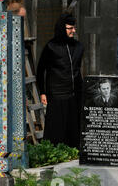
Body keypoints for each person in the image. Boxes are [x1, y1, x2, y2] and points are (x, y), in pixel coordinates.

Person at [36, 13, 84, 149]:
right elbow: (41, 70)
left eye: (74, 28)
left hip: (75, 93)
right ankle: (53, 151)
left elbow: (78, 70)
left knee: (73, 125)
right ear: (62, 28)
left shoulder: (79, 47)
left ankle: (74, 151)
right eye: (70, 28)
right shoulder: (51, 47)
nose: (73, 31)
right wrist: (42, 92)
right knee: (56, 126)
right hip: (56, 93)